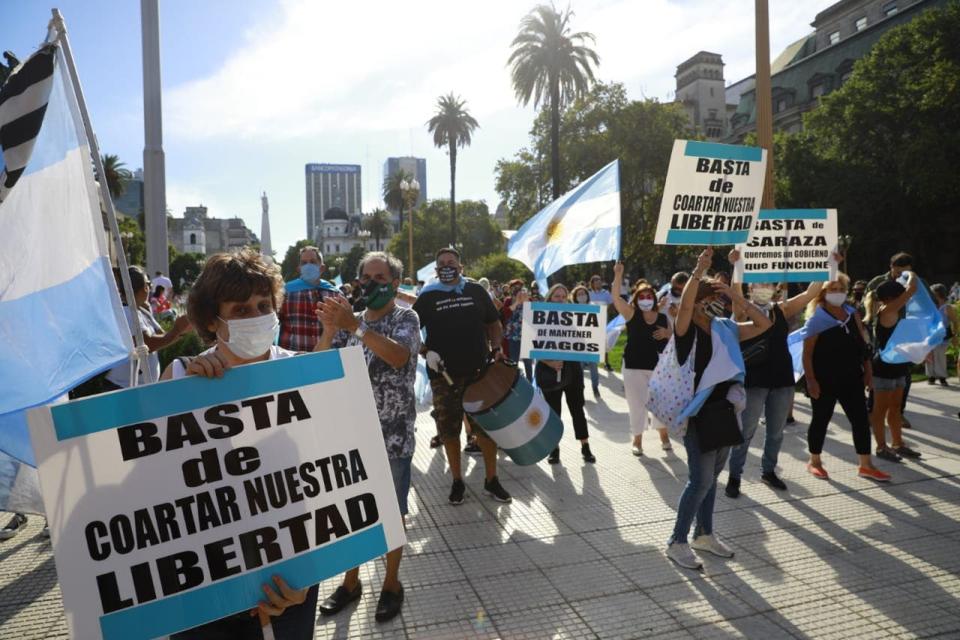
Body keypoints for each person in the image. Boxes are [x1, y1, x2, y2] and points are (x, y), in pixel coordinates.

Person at [161, 250, 317, 640]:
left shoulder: (303, 374)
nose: (258, 316)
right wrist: (184, 399)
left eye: (264, 305)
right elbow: (156, 488)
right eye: (241, 309)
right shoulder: (179, 376)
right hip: (203, 591)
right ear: (213, 321)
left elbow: (329, 488)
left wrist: (308, 577)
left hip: (288, 587)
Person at [314, 251, 418, 623]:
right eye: (367, 277)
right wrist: (330, 330)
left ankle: (391, 584)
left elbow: (398, 357)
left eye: (380, 277)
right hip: (351, 435)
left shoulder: (406, 317)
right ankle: (351, 581)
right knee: (354, 513)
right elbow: (319, 366)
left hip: (392, 438)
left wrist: (355, 328)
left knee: (390, 514)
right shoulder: (349, 322)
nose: (372, 283)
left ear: (394, 283)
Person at [661, 248, 772, 570]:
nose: (713, 305)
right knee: (699, 480)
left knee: (711, 478)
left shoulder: (725, 327)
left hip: (726, 411)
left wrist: (735, 297)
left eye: (716, 299)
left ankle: (704, 535)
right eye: (708, 299)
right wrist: (700, 270)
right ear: (697, 301)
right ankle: (677, 542)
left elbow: (764, 323)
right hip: (699, 414)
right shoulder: (686, 331)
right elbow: (683, 307)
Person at [413, 248, 511, 505]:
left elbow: (493, 322)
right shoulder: (428, 295)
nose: (447, 266)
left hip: (479, 373)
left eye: (452, 263)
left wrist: (497, 347)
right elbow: (410, 329)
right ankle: (457, 481)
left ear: (461, 266)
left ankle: (492, 479)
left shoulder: (476, 291)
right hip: (443, 376)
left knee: (486, 430)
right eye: (442, 264)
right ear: (436, 270)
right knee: (449, 429)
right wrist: (426, 351)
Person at [724, 251, 825, 498]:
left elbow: (811, 293)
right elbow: (735, 294)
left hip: (781, 380)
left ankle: (768, 470)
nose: (762, 287)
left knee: (776, 431)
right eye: (757, 284)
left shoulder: (782, 309)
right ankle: (735, 476)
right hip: (754, 381)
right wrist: (737, 266)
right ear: (749, 289)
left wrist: (827, 264)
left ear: (773, 288)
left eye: (767, 283)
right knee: (745, 432)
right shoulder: (744, 312)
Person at [801, 274, 891, 483]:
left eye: (840, 288)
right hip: (824, 379)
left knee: (860, 420)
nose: (837, 292)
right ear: (823, 293)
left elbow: (862, 345)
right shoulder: (817, 318)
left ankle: (866, 465)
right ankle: (814, 461)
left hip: (852, 378)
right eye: (832, 289)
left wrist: (868, 371)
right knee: (821, 420)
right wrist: (811, 380)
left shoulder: (852, 314)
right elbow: (807, 353)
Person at [611, 264, 671, 456]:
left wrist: (667, 333)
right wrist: (618, 274)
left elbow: (675, 336)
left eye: (649, 296)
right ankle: (637, 441)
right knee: (636, 405)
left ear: (654, 299)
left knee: (660, 403)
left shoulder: (662, 317)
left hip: (658, 368)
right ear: (637, 299)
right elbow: (615, 298)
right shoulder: (631, 314)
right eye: (642, 296)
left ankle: (664, 437)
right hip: (633, 367)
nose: (646, 299)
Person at [535, 284, 595, 465]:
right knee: (553, 412)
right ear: (550, 298)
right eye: (556, 296)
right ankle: (554, 449)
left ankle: (585, 447)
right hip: (548, 370)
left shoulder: (576, 317)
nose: (560, 300)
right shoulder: (540, 318)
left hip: (572, 370)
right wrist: (550, 362)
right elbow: (533, 347)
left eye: (563, 296)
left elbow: (586, 341)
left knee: (577, 409)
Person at [104, 266, 191, 390]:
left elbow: (163, 336)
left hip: (138, 387)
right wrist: (177, 330)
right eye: (148, 284)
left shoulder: (141, 310)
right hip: (123, 387)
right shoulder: (126, 312)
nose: (150, 288)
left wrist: (182, 331)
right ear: (143, 287)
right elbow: (147, 344)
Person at [870, 273, 922, 461]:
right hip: (884, 369)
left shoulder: (893, 311)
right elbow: (913, 288)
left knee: (895, 407)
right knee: (880, 410)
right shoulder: (887, 310)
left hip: (898, 366)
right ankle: (881, 447)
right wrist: (910, 273)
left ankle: (898, 444)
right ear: (891, 298)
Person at [866, 252, 916, 428]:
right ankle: (872, 411)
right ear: (891, 267)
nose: (901, 275)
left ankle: (898, 413)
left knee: (904, 377)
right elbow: (868, 302)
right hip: (883, 334)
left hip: (905, 335)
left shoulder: (913, 282)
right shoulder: (878, 283)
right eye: (898, 271)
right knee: (880, 378)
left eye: (906, 272)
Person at [277, 246, 339, 351]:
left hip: (326, 358)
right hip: (293, 358)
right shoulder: (285, 293)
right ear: (299, 269)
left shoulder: (334, 295)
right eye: (304, 263)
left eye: (313, 262)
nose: (308, 266)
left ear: (322, 268)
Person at [926, 284, 957, 385]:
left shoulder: (947, 307)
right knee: (930, 355)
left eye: (932, 293)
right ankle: (931, 376)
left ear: (938, 294)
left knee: (940, 356)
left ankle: (942, 377)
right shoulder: (930, 306)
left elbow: (955, 322)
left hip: (943, 336)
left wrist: (954, 336)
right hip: (930, 335)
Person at [587, 274, 615, 378]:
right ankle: (591, 363)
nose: (599, 283)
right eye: (596, 281)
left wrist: (606, 311)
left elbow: (611, 303)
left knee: (605, 341)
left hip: (603, 320)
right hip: (592, 322)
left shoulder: (606, 293)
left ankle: (606, 363)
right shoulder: (589, 293)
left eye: (600, 281)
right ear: (592, 283)